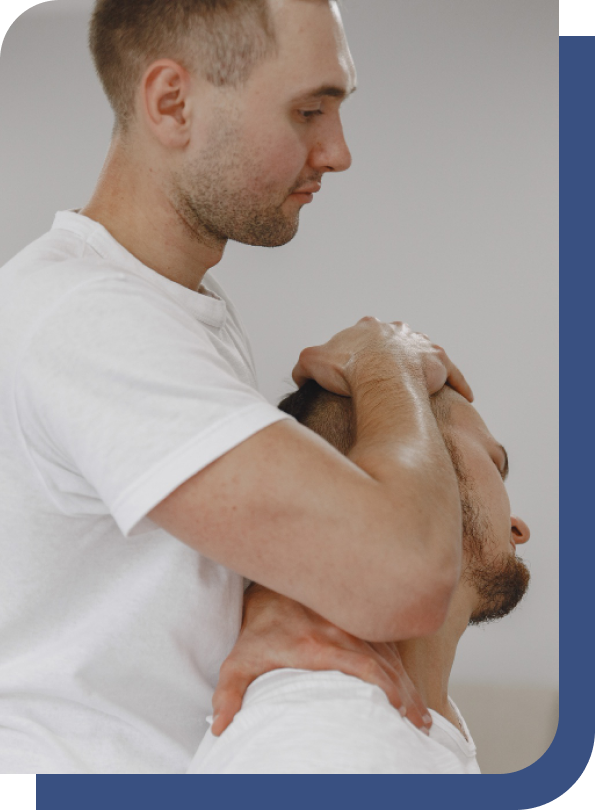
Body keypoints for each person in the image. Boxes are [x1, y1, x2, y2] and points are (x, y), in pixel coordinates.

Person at [0, 0, 472, 774]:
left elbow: (180, 559)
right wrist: (384, 356)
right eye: (309, 110)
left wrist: (269, 604)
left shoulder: (178, 307)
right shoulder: (89, 320)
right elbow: (405, 581)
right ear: (172, 104)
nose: (338, 151)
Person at [186, 381, 531, 773]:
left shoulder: (399, 728)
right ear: (422, 469)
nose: (519, 528)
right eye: (495, 465)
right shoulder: (328, 733)